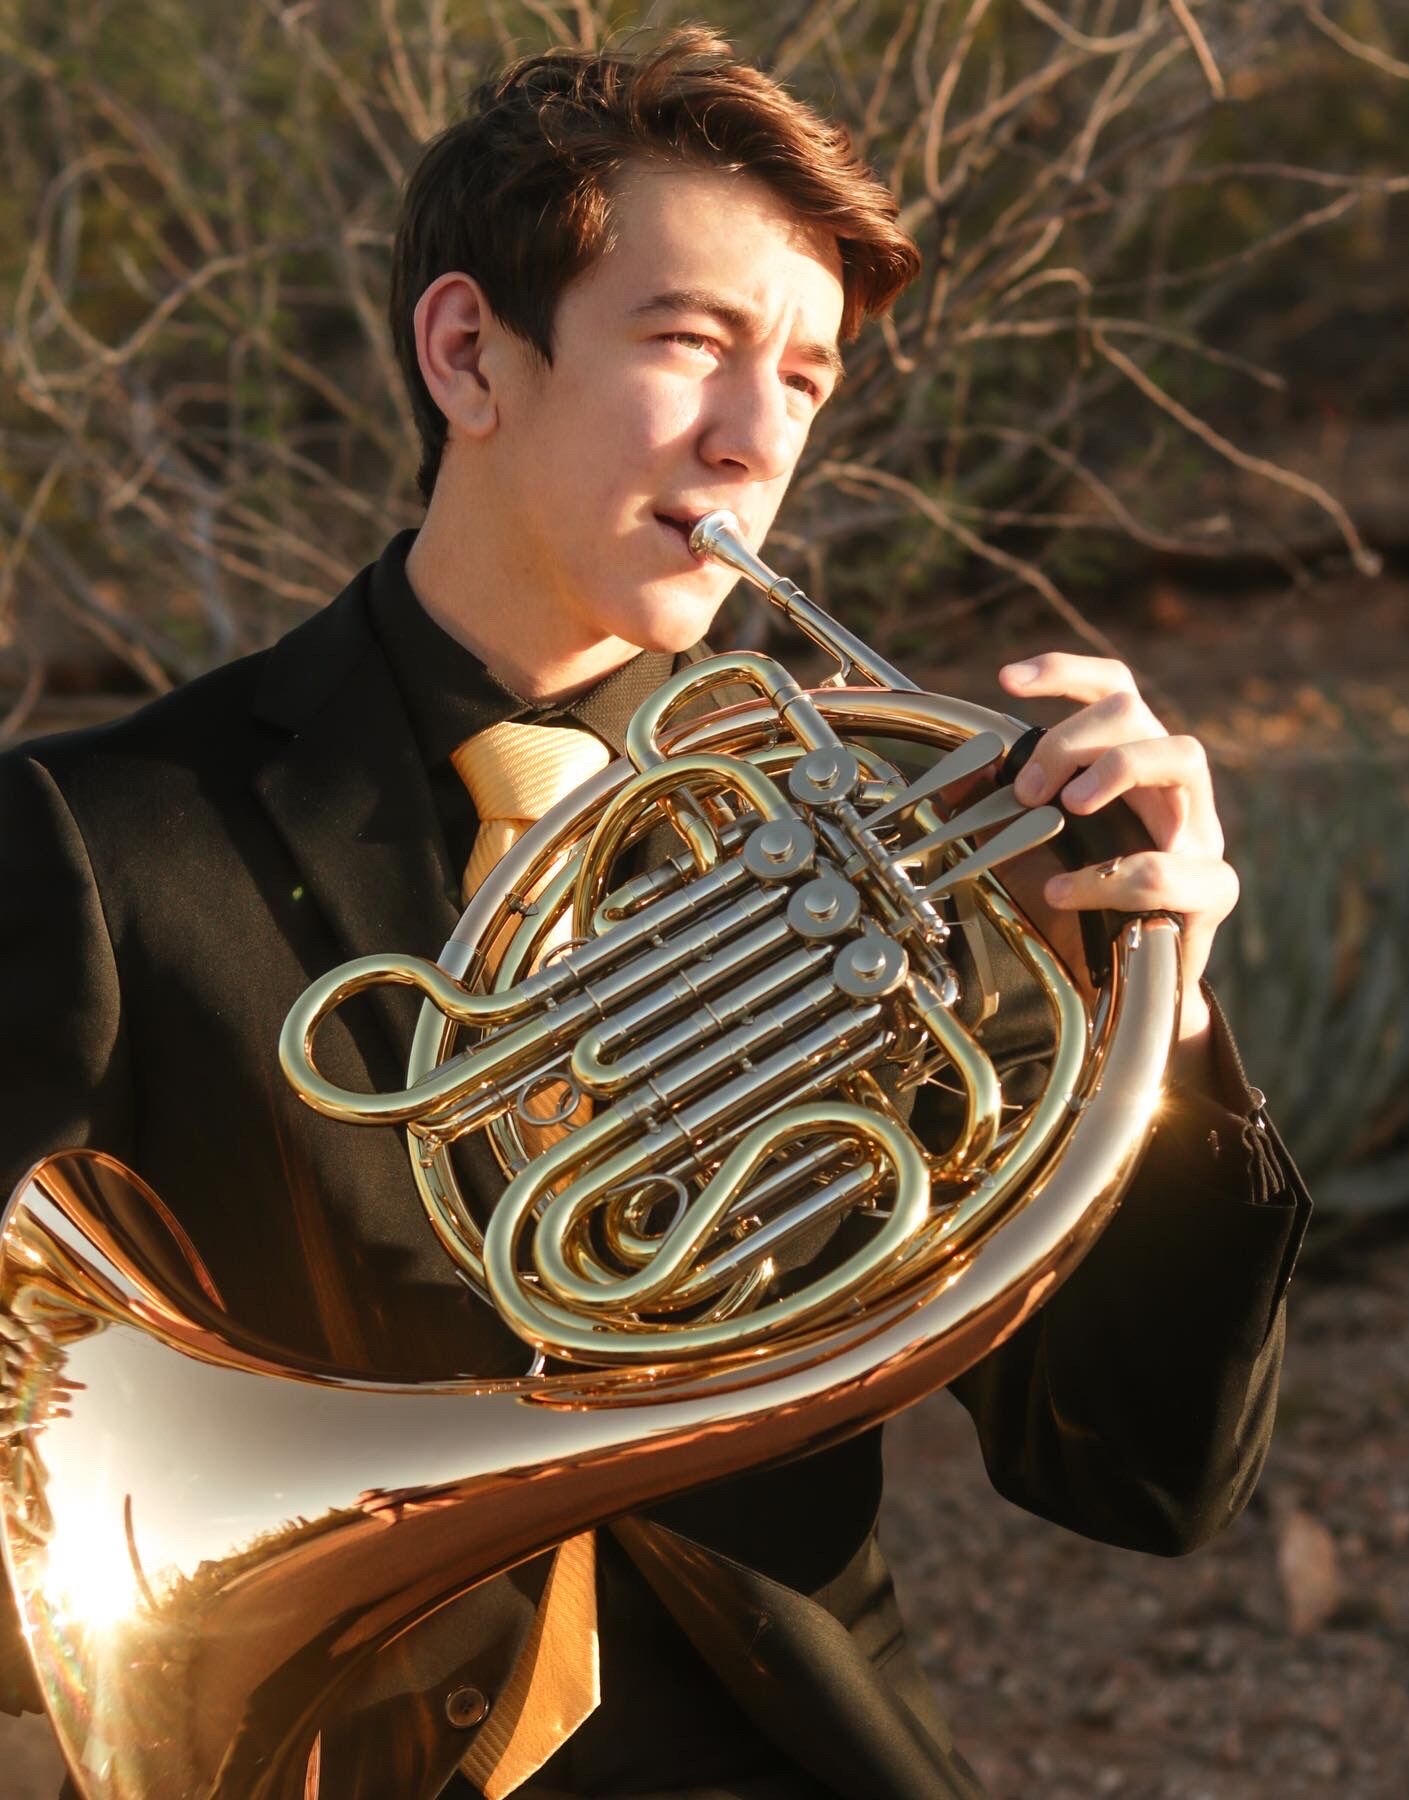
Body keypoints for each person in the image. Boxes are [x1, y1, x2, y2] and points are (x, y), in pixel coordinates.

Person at [0, 29, 1308, 1800]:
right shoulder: (107, 838)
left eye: (809, 376)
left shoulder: (890, 852)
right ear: (469, 353)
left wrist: (1170, 1008)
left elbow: (1143, 1474)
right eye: (691, 342)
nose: (758, 434)